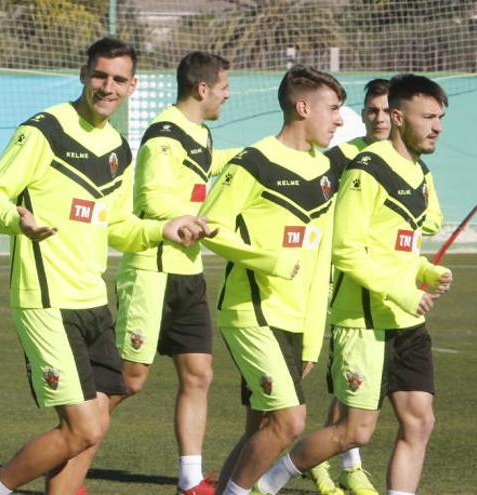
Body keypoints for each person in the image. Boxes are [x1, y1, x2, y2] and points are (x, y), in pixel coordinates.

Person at [0, 37, 211, 495]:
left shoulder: (118, 146)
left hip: (93, 300)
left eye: (119, 79)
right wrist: (18, 223)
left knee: (96, 420)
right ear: (84, 75)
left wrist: (165, 229)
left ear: (132, 85)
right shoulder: (45, 130)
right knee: (83, 428)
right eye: (100, 75)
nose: (108, 86)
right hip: (45, 298)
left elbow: (118, 226)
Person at [253, 74, 451, 495]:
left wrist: (425, 272)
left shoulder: (418, 171)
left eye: (441, 117)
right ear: (399, 118)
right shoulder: (366, 169)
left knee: (420, 420)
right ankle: (269, 482)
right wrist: (400, 290)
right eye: (429, 117)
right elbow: (346, 250)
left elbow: (398, 248)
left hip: (406, 321)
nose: (437, 126)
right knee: (353, 433)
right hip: (363, 320)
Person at [195, 65, 346, 495]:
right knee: (289, 421)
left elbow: (320, 261)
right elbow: (211, 226)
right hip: (251, 313)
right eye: (333, 109)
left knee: (261, 425)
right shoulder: (253, 162)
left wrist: (313, 338)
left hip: (298, 321)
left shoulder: (326, 173)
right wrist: (270, 260)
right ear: (303, 108)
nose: (338, 120)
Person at [108, 51, 237, 495]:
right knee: (129, 380)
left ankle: (190, 479)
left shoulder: (198, 134)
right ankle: (70, 449)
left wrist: (263, 157)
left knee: (199, 374)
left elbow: (216, 163)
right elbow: (152, 199)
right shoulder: (163, 135)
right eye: (223, 88)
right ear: (202, 89)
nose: (227, 95)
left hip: (188, 271)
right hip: (151, 273)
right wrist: (188, 217)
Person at [305, 78, 392, 495]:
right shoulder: (339, 158)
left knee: (360, 378)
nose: (378, 118)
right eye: (371, 109)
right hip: (338, 283)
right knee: (346, 378)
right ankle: (329, 462)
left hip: (385, 287)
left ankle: (340, 462)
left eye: (386, 110)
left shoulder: (407, 162)